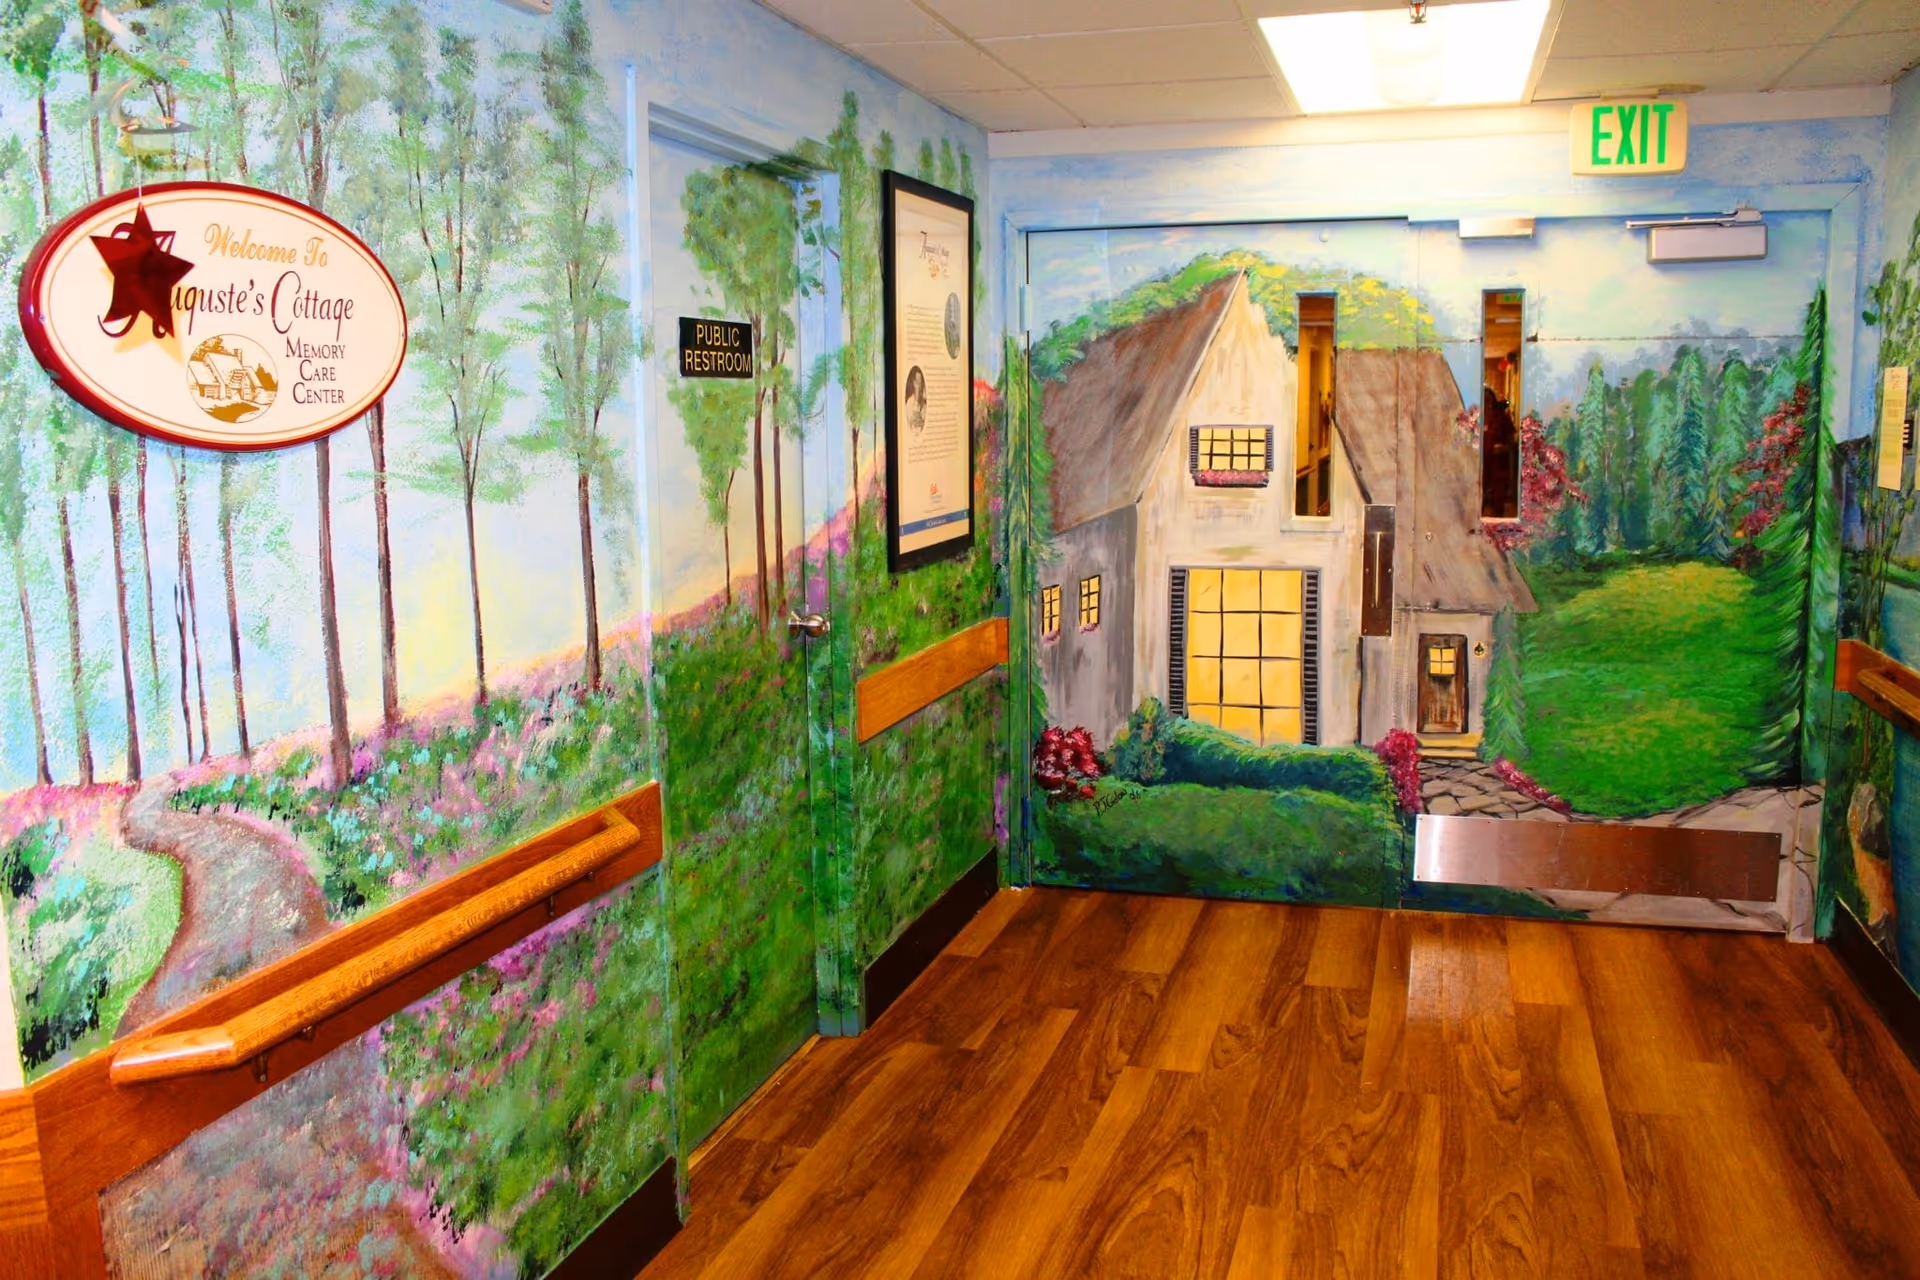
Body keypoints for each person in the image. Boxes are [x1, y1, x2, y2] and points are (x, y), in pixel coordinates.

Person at [905, 365, 927, 435]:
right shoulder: (909, 403)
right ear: (913, 383)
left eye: (921, 383)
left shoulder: (924, 404)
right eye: (917, 382)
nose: (919, 386)